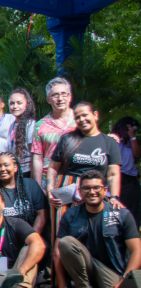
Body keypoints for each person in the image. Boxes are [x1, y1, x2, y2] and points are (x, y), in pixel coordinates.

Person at [47, 101, 123, 251]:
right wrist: (49, 191)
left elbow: (113, 173)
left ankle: (94, 272)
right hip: (66, 192)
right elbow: (53, 168)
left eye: (85, 115)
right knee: (62, 236)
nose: (81, 119)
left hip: (95, 192)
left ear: (95, 115)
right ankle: (60, 273)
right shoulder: (67, 139)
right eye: (77, 117)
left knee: (94, 234)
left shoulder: (109, 143)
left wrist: (114, 197)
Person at [55, 170, 141, 288]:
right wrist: (62, 285)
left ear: (105, 190)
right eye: (86, 188)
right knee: (66, 242)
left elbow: (137, 251)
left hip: (111, 272)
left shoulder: (121, 214)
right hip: (81, 271)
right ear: (80, 191)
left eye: (96, 187)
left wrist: (123, 282)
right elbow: (57, 253)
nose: (92, 192)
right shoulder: (70, 215)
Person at [32, 77, 77, 184]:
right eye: (55, 95)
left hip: (77, 178)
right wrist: (38, 187)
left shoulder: (80, 120)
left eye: (64, 94)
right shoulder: (40, 125)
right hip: (49, 180)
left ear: (70, 97)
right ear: (48, 100)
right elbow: (37, 159)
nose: (60, 98)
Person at [0, 153, 46, 231]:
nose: (2, 169)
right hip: (3, 238)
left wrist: (32, 238)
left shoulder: (31, 185)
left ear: (15, 167)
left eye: (6, 165)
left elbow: (42, 214)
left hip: (31, 235)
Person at [112, 116, 141, 224]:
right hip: (114, 178)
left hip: (130, 180)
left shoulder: (132, 142)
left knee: (131, 212)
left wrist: (133, 137)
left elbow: (137, 154)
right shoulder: (113, 140)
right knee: (115, 210)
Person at [8, 88, 37, 178]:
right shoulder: (12, 125)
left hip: (27, 171)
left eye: (19, 103)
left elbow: (34, 152)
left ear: (26, 105)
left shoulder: (30, 124)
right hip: (15, 171)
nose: (15, 106)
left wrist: (33, 176)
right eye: (12, 103)